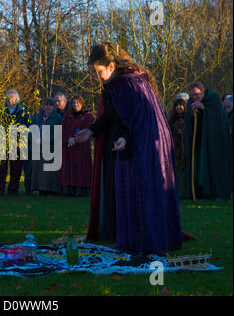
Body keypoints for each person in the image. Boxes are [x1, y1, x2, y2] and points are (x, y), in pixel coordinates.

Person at [75, 42, 182, 255]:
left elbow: (136, 118)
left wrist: (125, 138)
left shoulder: (128, 84)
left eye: (99, 72)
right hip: (141, 142)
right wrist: (92, 131)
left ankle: (142, 240)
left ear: (112, 67)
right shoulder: (124, 83)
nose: (96, 77)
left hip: (145, 145)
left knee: (139, 188)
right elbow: (116, 114)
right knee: (130, 187)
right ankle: (137, 238)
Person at [184, 82, 232, 199]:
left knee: (212, 163)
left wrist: (203, 108)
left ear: (203, 92)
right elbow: (188, 121)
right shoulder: (191, 101)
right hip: (198, 140)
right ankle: (197, 191)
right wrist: (192, 113)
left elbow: (220, 118)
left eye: (197, 94)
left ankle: (213, 191)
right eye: (192, 95)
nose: (195, 97)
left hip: (212, 140)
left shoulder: (213, 98)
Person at [0, 89, 31, 196]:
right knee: (1, 169)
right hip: (2, 143)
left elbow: (28, 126)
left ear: (17, 100)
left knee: (16, 169)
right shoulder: (0, 111)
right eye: (8, 99)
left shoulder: (23, 111)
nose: (10, 101)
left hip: (17, 144)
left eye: (12, 99)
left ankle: (13, 191)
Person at [59, 94, 94, 196]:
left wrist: (75, 139)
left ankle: (82, 191)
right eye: (74, 103)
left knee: (81, 169)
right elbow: (62, 129)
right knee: (69, 169)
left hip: (81, 148)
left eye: (78, 102)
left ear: (82, 103)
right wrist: (69, 138)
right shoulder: (67, 115)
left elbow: (87, 129)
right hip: (69, 147)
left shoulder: (88, 116)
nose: (76, 105)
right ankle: (69, 190)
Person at [31, 98, 62, 195]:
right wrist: (34, 138)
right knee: (39, 171)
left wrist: (44, 140)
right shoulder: (37, 117)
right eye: (46, 105)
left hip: (51, 148)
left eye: (50, 105)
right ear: (43, 106)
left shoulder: (58, 118)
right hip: (38, 148)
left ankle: (51, 190)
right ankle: (40, 189)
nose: (48, 107)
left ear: (54, 107)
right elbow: (30, 130)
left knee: (50, 172)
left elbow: (58, 133)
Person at [168, 97, 187, 196]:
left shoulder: (187, 118)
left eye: (181, 105)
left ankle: (183, 192)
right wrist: (176, 132)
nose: (179, 107)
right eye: (177, 106)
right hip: (175, 148)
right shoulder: (172, 119)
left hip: (185, 148)